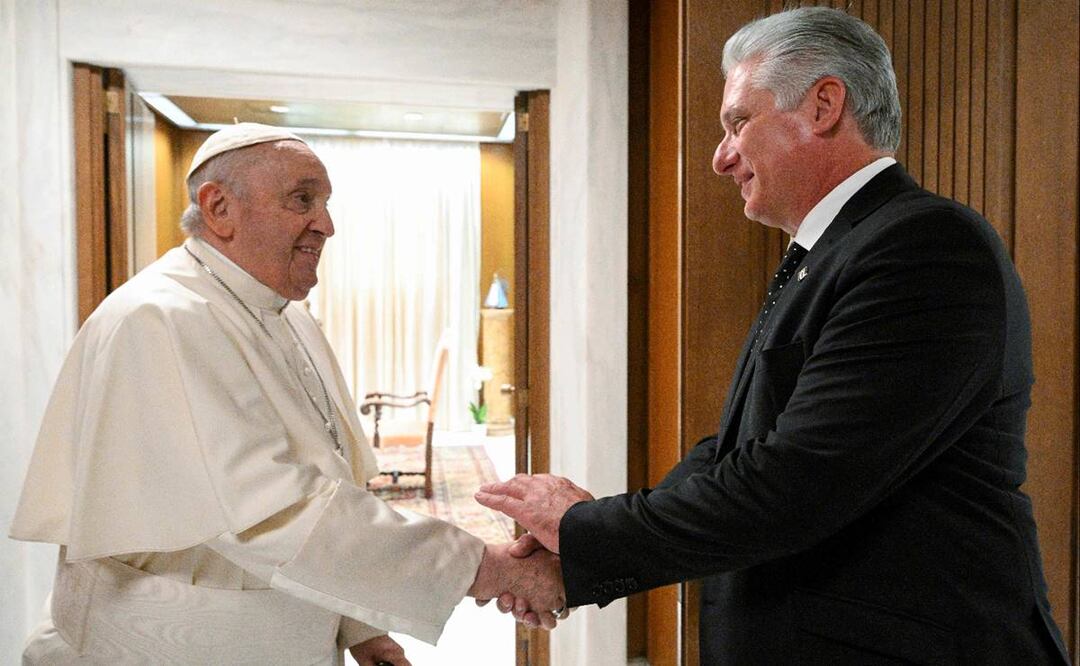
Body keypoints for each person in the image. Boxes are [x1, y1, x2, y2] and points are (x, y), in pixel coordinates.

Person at [477, 7, 1072, 663]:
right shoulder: (837, 250)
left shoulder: (923, 247)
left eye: (738, 122)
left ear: (823, 105)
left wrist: (586, 530)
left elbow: (797, 481)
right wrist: (583, 550)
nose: (720, 156)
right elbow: (738, 454)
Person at [10, 123, 564, 665]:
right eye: (302, 200)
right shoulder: (159, 318)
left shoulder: (288, 318)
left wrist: (361, 627)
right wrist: (492, 569)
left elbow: (331, 483)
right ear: (219, 207)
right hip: (167, 646)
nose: (325, 224)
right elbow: (271, 511)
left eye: (324, 203)